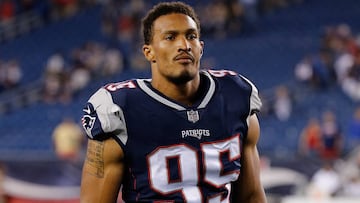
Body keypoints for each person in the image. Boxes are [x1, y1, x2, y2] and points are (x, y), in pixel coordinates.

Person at [80, 1, 266, 202]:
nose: (183, 45)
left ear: (200, 48)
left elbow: (251, 195)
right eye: (170, 37)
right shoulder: (120, 109)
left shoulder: (234, 96)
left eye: (191, 36)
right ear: (148, 52)